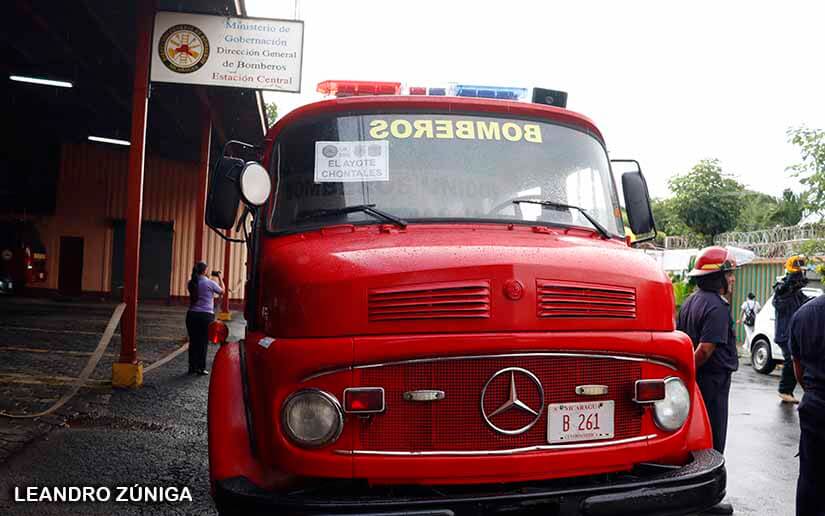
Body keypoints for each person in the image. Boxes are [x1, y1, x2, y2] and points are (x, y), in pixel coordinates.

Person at [677, 246, 738, 515]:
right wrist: (689, 370)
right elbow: (704, 350)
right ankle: (708, 499)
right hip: (712, 381)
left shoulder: (691, 302)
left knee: (695, 438)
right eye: (729, 274)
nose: (732, 279)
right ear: (717, 277)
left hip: (698, 380)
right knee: (714, 437)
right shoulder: (717, 307)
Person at [788, 290, 825, 516]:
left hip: (814, 407)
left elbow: (798, 367)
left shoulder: (803, 313)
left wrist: (813, 392)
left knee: (811, 479)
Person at [773, 255, 810, 404]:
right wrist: (791, 280)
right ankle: (784, 390)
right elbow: (780, 297)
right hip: (784, 333)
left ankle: (790, 390)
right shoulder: (782, 290)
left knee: (798, 359)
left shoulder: (796, 293)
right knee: (791, 360)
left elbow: (807, 302)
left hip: (792, 333)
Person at [186, 261, 223, 375]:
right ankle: (201, 368)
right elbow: (222, 291)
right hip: (205, 316)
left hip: (192, 315)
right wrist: (220, 277)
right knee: (203, 342)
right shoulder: (210, 283)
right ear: (205, 271)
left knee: (193, 342)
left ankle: (192, 367)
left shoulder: (191, 283)